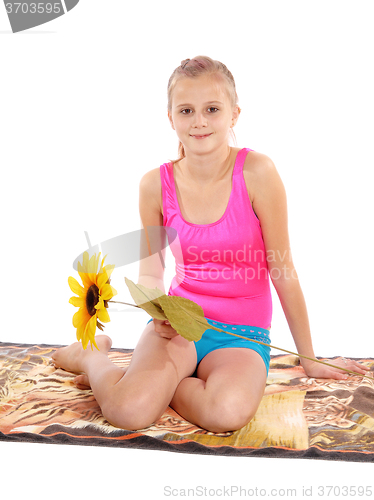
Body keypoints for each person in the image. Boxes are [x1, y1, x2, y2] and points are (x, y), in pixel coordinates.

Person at [52, 56, 369, 433]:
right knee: (127, 413)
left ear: (234, 114)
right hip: (179, 328)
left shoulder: (258, 174)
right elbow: (151, 273)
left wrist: (309, 358)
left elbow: (283, 271)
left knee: (226, 414)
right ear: (171, 118)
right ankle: (92, 357)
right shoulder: (155, 185)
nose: (199, 121)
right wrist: (158, 313)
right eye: (186, 110)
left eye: (212, 109)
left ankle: (159, 386)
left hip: (241, 333)